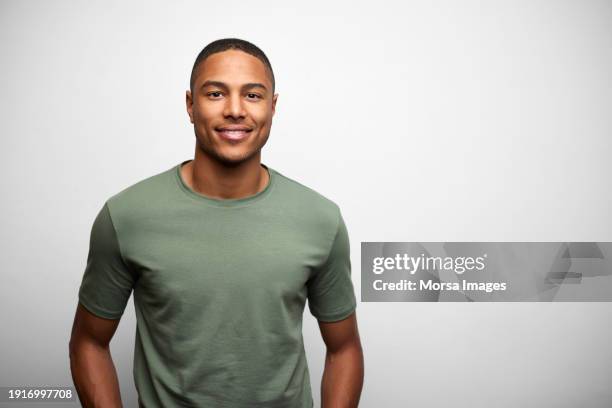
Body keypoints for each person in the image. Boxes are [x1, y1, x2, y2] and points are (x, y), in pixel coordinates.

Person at [69, 38, 364, 408]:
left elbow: (344, 348)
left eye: (253, 95)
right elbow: (88, 342)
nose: (236, 110)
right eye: (215, 94)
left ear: (273, 108)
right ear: (190, 106)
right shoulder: (126, 217)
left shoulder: (321, 220)